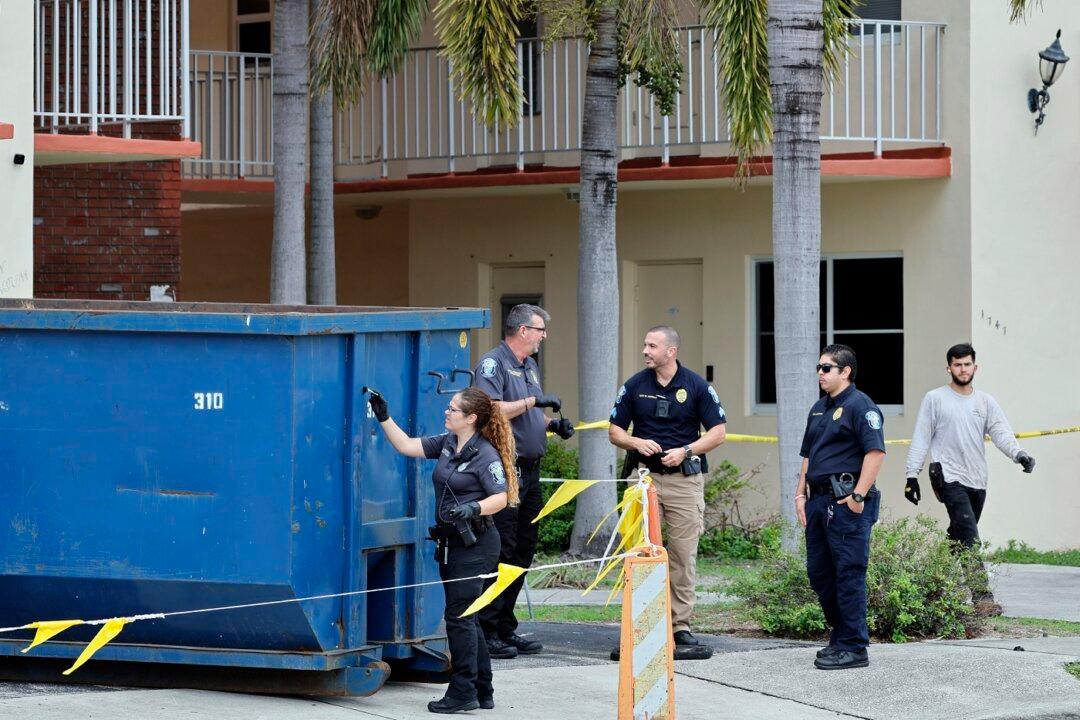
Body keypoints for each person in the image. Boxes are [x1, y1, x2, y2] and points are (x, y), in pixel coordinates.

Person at [368, 386, 518, 714]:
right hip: (451, 543)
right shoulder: (449, 443)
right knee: (466, 615)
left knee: (458, 617)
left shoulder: (486, 454)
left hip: (476, 544)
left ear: (471, 418)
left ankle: (463, 691)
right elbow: (408, 446)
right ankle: (482, 688)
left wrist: (474, 508)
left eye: (453, 409)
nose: (446, 412)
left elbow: (501, 496)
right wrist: (384, 417)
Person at [608, 326, 726, 652]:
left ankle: (680, 628)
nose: (645, 351)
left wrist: (687, 451)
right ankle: (641, 626)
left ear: (670, 351)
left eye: (652, 346)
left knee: (682, 557)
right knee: (641, 554)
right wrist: (636, 441)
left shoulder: (696, 386)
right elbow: (614, 431)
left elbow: (718, 432)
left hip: (685, 482)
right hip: (644, 480)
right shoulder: (635, 385)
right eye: (645, 344)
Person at [473, 303, 575, 659]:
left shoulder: (528, 365)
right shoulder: (494, 363)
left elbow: (524, 417)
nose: (544, 336)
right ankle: (485, 630)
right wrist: (535, 400)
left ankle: (504, 626)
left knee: (523, 551)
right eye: (540, 330)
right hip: (505, 470)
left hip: (530, 470)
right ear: (522, 331)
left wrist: (551, 425)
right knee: (502, 548)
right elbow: (487, 409)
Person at [904, 343, 1035, 610]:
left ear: (975, 366)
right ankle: (982, 598)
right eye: (957, 364)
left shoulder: (985, 401)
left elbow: (1001, 432)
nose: (962, 369)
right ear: (948, 367)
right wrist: (911, 475)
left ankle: (930, 583)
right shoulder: (935, 398)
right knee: (970, 536)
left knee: (959, 537)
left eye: (967, 364)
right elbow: (921, 437)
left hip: (978, 480)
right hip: (949, 478)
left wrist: (1018, 454)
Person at [795, 344, 884, 670]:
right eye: (819, 367)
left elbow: (875, 453)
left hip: (846, 501)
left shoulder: (862, 406)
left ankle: (854, 646)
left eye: (826, 367)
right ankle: (841, 636)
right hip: (818, 499)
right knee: (820, 574)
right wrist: (799, 494)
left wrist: (858, 497)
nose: (820, 373)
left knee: (848, 573)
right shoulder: (819, 408)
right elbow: (808, 455)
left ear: (845, 371)